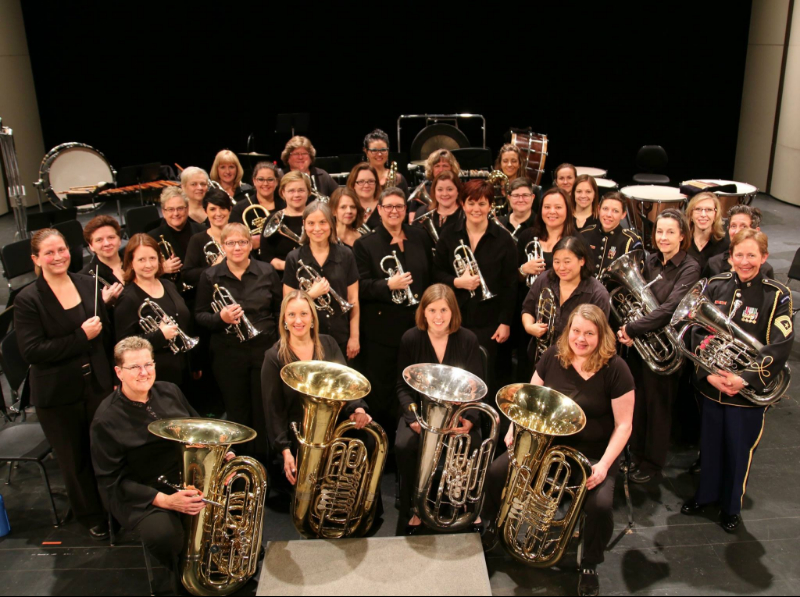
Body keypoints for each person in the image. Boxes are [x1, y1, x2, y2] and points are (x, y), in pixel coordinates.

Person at [482, 305, 635, 597]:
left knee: (600, 506)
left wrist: (603, 465)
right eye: (576, 331)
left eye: (589, 333)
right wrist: (515, 429)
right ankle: (492, 525)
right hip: (548, 445)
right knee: (498, 471)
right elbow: (528, 397)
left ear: (601, 336)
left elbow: (624, 426)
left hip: (593, 453)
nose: (581, 339)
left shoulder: (616, 369)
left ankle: (590, 563)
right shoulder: (553, 355)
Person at [90, 337, 231, 591]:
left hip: (185, 475)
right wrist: (164, 501)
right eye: (134, 367)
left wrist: (219, 454)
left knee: (237, 494)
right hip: (142, 492)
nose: (144, 373)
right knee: (164, 535)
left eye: (148, 364)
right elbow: (111, 481)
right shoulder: (106, 419)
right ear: (118, 372)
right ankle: (180, 578)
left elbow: (198, 428)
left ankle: (220, 561)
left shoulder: (170, 390)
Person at [681, 229, 793, 532]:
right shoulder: (715, 286)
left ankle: (731, 507)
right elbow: (696, 331)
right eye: (739, 255)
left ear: (764, 257)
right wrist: (710, 374)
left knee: (737, 449)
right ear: (730, 258)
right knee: (711, 446)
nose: (745, 261)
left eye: (751, 255)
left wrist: (743, 379)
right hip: (714, 386)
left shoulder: (776, 294)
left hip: (746, 393)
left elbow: (779, 346)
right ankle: (704, 495)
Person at [15, 229, 113, 539]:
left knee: (102, 451)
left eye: (62, 249)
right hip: (57, 393)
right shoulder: (28, 299)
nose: (58, 257)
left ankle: (113, 507)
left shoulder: (88, 283)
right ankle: (91, 515)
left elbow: (106, 338)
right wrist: (80, 337)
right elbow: (33, 351)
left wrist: (110, 379)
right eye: (49, 252)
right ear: (36, 259)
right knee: (75, 460)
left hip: (96, 383)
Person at [617, 209, 701, 483]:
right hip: (642, 347)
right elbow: (633, 298)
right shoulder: (649, 261)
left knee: (659, 409)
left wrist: (631, 328)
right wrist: (631, 329)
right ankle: (635, 455)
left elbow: (668, 309)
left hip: (667, 351)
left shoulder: (690, 267)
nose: (663, 237)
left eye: (670, 232)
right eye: (660, 231)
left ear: (682, 236)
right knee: (638, 404)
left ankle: (652, 464)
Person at [395, 284, 484, 534]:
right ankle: (415, 506)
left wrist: (469, 419)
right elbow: (401, 386)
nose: (438, 316)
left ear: (453, 311)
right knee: (404, 445)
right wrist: (412, 418)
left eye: (443, 310)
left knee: (473, 443)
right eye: (432, 310)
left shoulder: (467, 339)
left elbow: (476, 387)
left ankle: (465, 502)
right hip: (420, 417)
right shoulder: (411, 338)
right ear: (423, 312)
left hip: (458, 417)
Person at [262, 290, 372, 487]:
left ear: (312, 318)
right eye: (292, 314)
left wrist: (358, 408)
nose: (298, 320)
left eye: (304, 314)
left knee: (367, 443)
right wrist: (285, 451)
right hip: (296, 437)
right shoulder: (274, 357)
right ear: (284, 320)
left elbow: (346, 382)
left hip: (333, 430)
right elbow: (273, 411)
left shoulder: (327, 343)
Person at [195, 223, 282, 457]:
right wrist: (220, 318)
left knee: (264, 411)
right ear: (222, 246)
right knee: (238, 413)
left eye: (242, 242)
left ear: (250, 244)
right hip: (228, 354)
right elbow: (199, 316)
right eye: (231, 243)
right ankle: (242, 466)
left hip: (264, 351)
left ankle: (267, 465)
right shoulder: (210, 275)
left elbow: (278, 312)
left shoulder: (266, 271)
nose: (237, 247)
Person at [354, 187, 434, 438]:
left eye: (399, 206)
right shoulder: (364, 244)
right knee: (384, 388)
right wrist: (387, 285)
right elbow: (360, 287)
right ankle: (384, 445)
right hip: (382, 332)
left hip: (418, 327)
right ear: (379, 210)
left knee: (416, 385)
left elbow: (430, 276)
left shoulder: (419, 236)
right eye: (388, 206)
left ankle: (413, 443)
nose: (394, 211)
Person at [433, 180, 517, 392]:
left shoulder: (504, 239)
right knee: (454, 377)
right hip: (455, 319)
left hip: (489, 322)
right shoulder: (449, 234)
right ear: (462, 204)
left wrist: (505, 322)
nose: (476, 209)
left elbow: (510, 284)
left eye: (482, 204)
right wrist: (456, 282)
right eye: (471, 203)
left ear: (490, 206)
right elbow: (435, 273)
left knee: (485, 379)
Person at [114, 234, 194, 388]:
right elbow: (123, 345)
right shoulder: (128, 298)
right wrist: (160, 336)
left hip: (183, 365)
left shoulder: (168, 285)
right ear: (131, 262)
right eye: (141, 260)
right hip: (155, 374)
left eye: (152, 258)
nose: (148, 264)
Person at [283, 201, 360, 360]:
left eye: (322, 222)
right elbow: (287, 303)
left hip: (340, 336)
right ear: (304, 224)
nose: (317, 228)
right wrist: (310, 294)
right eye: (311, 223)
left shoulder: (346, 255)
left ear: (331, 224)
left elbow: (353, 300)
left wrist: (354, 337)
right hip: (305, 338)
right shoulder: (294, 258)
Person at [522, 237, 610, 364]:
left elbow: (599, 336)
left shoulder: (597, 294)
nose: (561, 268)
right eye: (556, 262)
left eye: (567, 262)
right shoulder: (544, 279)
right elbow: (527, 309)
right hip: (540, 359)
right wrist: (530, 327)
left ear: (582, 261)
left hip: (577, 363)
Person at [148, 187, 207, 296]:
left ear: (187, 209)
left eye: (180, 208)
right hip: (172, 295)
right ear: (163, 212)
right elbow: (139, 273)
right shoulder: (151, 238)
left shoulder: (203, 231)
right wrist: (161, 268)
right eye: (170, 209)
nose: (176, 213)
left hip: (202, 290)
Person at [517, 187, 578, 282]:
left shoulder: (577, 241)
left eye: (558, 207)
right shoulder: (527, 235)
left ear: (567, 210)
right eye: (547, 207)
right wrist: (523, 270)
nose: (552, 211)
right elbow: (510, 277)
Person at [581, 192, 643, 280]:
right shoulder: (585, 234)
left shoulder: (631, 241)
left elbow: (634, 280)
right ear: (599, 209)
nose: (609, 215)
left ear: (623, 215)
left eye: (615, 211)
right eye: (605, 209)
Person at [704, 205, 774, 279]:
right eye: (733, 226)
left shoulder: (765, 269)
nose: (737, 231)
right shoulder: (714, 263)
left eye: (743, 226)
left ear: (756, 231)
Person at [229, 162, 285, 252]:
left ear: (276, 182)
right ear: (254, 181)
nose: (265, 183)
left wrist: (262, 240)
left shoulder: (286, 206)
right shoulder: (240, 209)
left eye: (270, 179)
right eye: (261, 179)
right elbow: (233, 239)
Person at [258, 171, 308, 271]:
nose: (296, 195)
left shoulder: (317, 217)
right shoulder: (273, 219)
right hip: (282, 276)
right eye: (291, 191)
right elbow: (266, 255)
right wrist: (289, 266)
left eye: (301, 190)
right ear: (283, 193)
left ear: (309, 192)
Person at [183, 189, 232, 288]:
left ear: (230, 210)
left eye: (222, 208)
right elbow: (187, 275)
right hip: (211, 294)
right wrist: (214, 267)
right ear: (205, 211)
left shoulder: (240, 235)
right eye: (212, 209)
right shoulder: (197, 240)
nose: (218, 213)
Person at [80, 215, 125, 307]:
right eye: (99, 240)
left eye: (111, 237)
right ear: (91, 246)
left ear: (119, 240)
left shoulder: (135, 262)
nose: (107, 243)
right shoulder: (83, 279)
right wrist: (103, 303)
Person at [412, 171, 465, 244]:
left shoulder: (465, 215)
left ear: (458, 191)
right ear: (434, 191)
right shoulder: (422, 212)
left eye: (449, 189)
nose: (445, 194)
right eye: (440, 189)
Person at [686, 191, 729, 271]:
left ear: (715, 215)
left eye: (708, 210)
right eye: (698, 209)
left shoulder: (725, 245)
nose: (703, 214)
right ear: (691, 214)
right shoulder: (681, 243)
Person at [363, 128, 409, 194]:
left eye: (383, 150)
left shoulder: (398, 179)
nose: (379, 154)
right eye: (374, 150)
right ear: (366, 151)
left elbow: (407, 203)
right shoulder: (359, 178)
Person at [347, 163, 382, 232]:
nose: (366, 185)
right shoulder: (347, 208)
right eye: (361, 182)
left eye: (371, 181)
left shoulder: (385, 205)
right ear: (353, 184)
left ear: (376, 183)